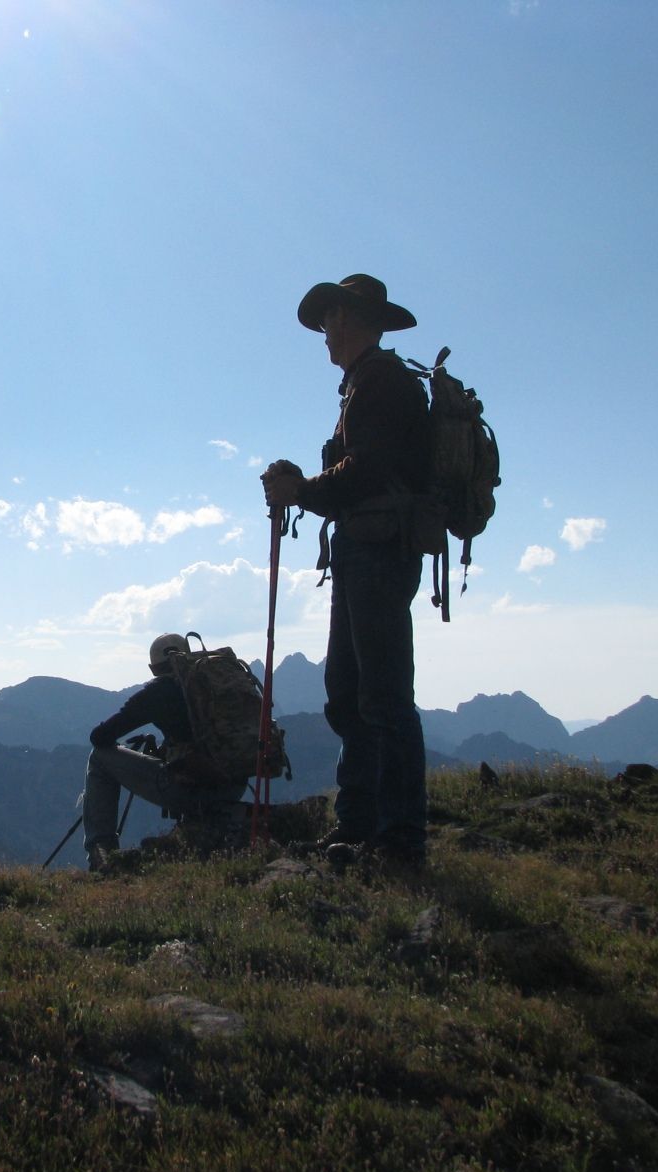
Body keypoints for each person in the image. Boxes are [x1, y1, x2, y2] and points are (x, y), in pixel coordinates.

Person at [261, 273, 429, 868]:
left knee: (380, 697)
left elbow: (366, 472)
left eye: (330, 320)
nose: (324, 334)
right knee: (351, 695)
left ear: (353, 321)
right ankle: (361, 825)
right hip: (368, 549)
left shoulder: (383, 383)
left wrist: (299, 488)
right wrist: (306, 486)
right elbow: (362, 472)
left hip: (378, 553)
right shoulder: (366, 385)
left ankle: (400, 836)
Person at [80, 634, 250, 871]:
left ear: (153, 668)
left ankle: (102, 851)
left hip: (192, 792)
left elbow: (100, 737)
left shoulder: (158, 692)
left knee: (99, 759)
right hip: (236, 786)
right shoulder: (215, 682)